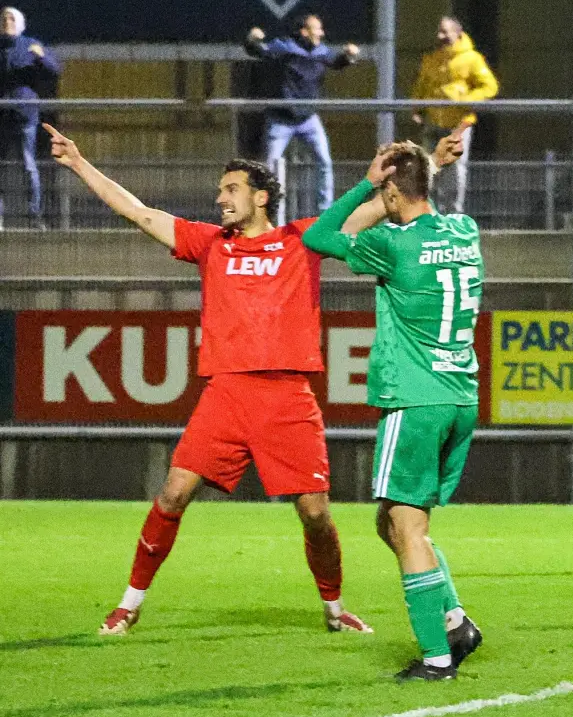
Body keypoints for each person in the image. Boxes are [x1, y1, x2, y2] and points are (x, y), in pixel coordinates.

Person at [43, 124, 371, 639]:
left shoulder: (302, 240)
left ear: (262, 197)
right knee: (174, 493)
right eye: (221, 191)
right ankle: (129, 606)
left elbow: (368, 212)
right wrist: (80, 164)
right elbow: (138, 211)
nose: (220, 199)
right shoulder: (209, 243)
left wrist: (430, 168)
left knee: (315, 513)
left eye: (231, 189)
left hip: (287, 395)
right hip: (228, 393)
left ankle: (334, 609)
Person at [302, 131, 485, 682]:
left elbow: (320, 235)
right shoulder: (465, 231)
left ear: (390, 194)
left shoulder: (392, 244)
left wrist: (367, 182)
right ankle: (455, 622)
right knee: (396, 524)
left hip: (415, 397)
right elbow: (420, 206)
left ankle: (435, 658)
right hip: (460, 396)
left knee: (405, 528)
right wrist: (426, 169)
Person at [244, 15, 360, 211]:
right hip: (281, 119)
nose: (321, 33)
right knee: (270, 168)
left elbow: (338, 62)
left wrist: (350, 55)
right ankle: (266, 212)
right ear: (304, 32)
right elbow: (258, 50)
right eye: (317, 29)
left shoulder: (321, 51)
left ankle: (325, 212)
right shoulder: (285, 48)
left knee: (324, 162)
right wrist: (252, 39)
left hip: (308, 119)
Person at [410, 16, 500, 215]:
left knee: (455, 172)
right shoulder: (431, 59)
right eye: (439, 31)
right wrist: (416, 108)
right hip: (432, 122)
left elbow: (489, 87)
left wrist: (466, 99)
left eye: (445, 32)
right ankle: (430, 215)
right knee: (428, 170)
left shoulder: (472, 59)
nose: (440, 36)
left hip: (458, 124)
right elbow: (422, 85)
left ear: (457, 34)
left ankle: (453, 217)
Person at [0, 8, 61, 229]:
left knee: (28, 166)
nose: (7, 22)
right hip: (2, 116)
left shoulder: (30, 45)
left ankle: (34, 216)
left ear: (20, 24)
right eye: (3, 18)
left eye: (11, 18)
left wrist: (41, 57)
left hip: (24, 114)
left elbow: (54, 70)